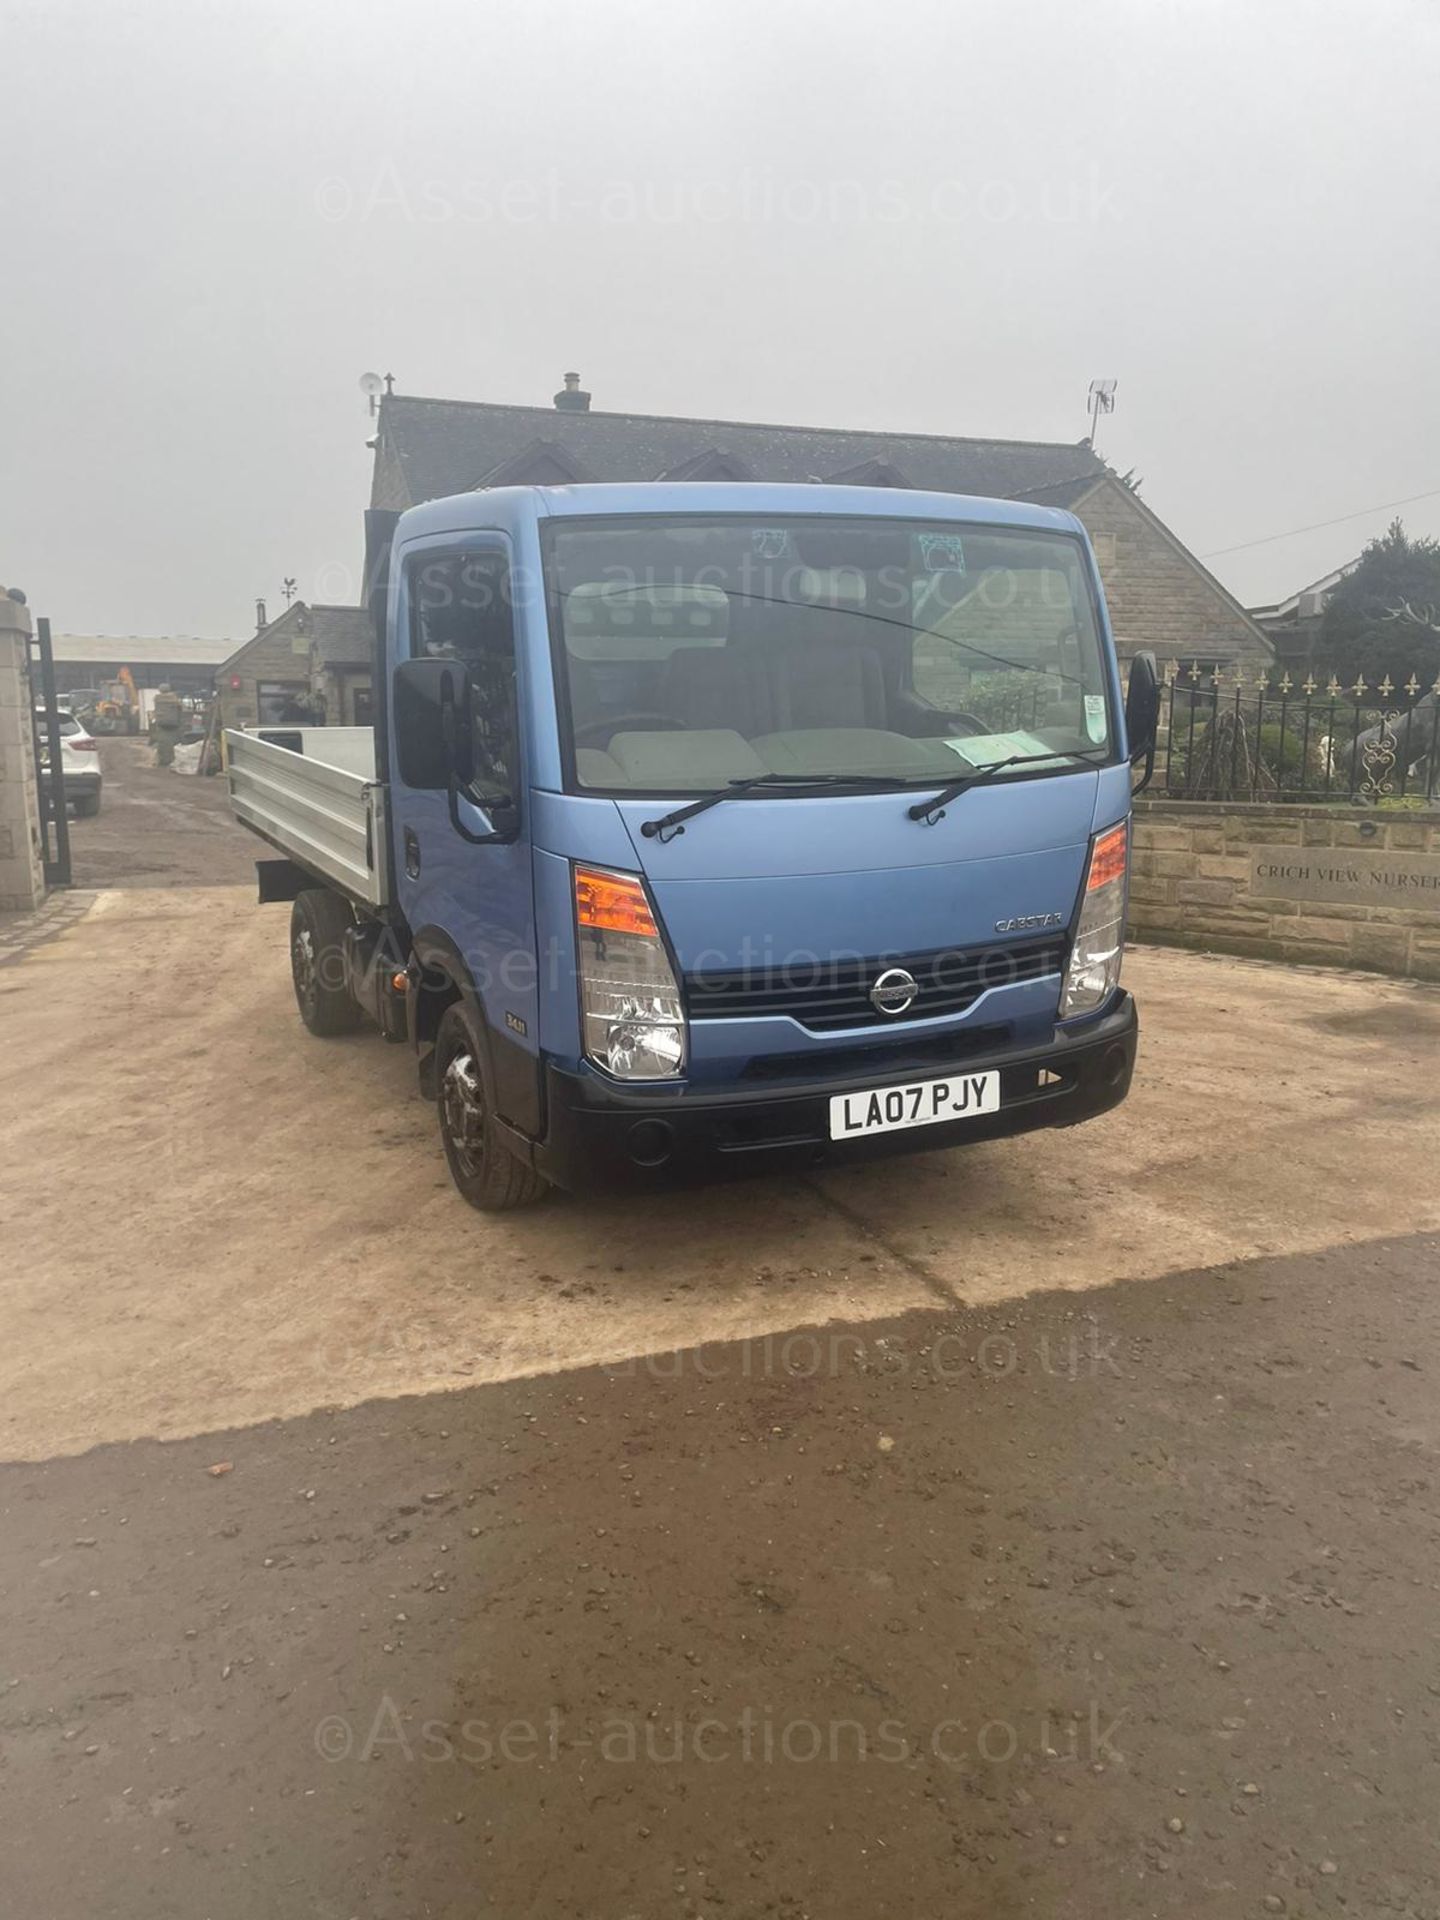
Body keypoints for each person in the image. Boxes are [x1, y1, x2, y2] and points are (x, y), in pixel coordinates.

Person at [152, 683, 183, 766]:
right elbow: (180, 708)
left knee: (162, 743)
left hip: (161, 724)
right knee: (174, 743)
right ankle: (172, 760)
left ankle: (162, 761)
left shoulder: (157, 698)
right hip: (174, 724)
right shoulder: (174, 698)